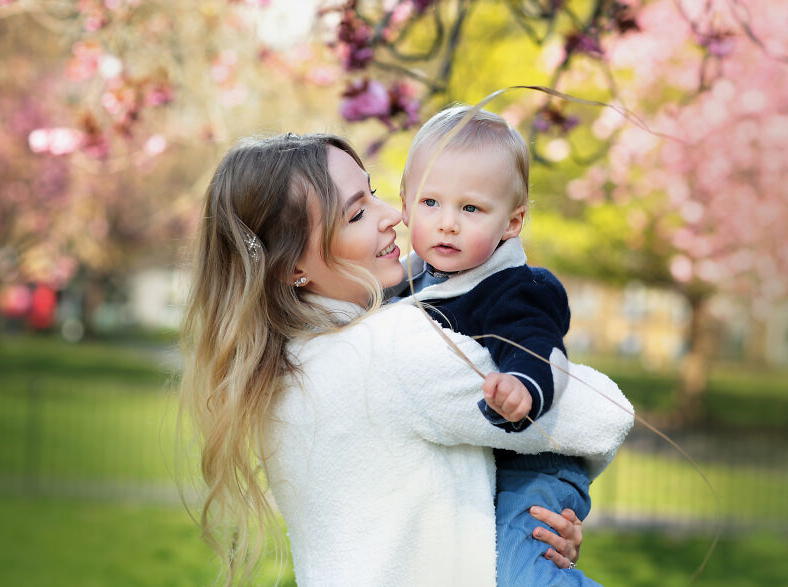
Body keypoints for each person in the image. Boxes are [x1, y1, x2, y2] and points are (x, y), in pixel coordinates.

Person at [179, 132, 634, 585]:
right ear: (292, 266)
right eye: (357, 213)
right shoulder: (391, 347)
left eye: (374, 194)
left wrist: (517, 535)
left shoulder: (283, 361)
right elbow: (602, 415)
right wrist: (531, 532)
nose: (395, 214)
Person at [396, 104, 628, 585]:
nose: (447, 223)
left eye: (471, 208)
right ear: (404, 204)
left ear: (513, 222)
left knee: (523, 575)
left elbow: (538, 346)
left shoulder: (514, 288)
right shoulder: (407, 284)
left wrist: (522, 386)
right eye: (430, 202)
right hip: (478, 470)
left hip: (533, 469)